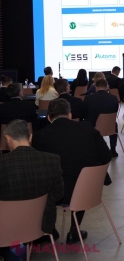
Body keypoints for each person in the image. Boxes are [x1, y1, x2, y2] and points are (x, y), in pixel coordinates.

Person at [32, 98, 112, 244]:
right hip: (86, 191)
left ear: (49, 118)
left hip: (53, 195)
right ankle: (74, 230)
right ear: (70, 115)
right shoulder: (88, 129)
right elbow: (106, 156)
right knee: (79, 176)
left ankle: (50, 230)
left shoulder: (39, 137)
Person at [0, 120, 64, 239]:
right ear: (30, 137)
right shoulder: (52, 160)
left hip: (7, 227)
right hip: (42, 225)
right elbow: (58, 194)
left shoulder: (2, 163)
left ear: (8, 138)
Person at [82, 78, 119, 156]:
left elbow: (84, 113)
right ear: (106, 87)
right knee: (114, 123)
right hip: (110, 126)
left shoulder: (88, 98)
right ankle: (113, 149)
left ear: (96, 87)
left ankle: (93, 148)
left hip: (93, 126)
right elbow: (115, 111)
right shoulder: (114, 98)